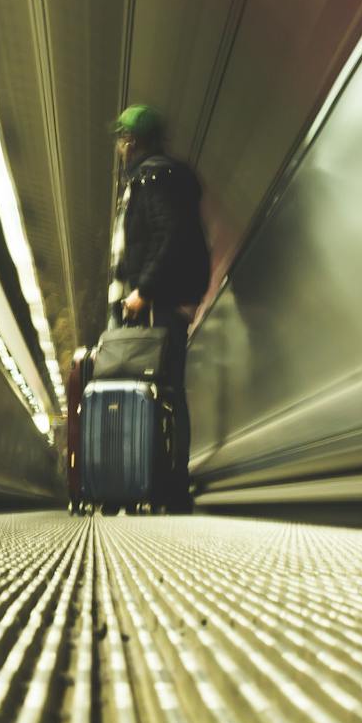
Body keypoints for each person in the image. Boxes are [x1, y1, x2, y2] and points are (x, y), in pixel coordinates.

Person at [109, 104, 210, 511]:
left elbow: (169, 235)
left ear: (131, 141)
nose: (120, 146)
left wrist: (143, 291)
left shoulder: (153, 178)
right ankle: (160, 483)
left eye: (122, 138)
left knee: (161, 392)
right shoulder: (158, 177)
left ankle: (167, 486)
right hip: (164, 298)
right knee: (163, 391)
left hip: (158, 301)